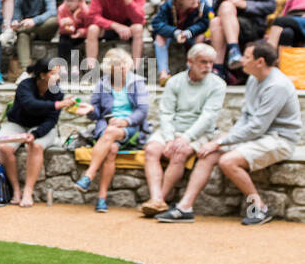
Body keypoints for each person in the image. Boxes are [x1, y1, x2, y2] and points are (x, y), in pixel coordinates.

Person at [157, 41, 300, 226]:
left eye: (247, 57)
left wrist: (220, 142)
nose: (242, 60)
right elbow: (246, 117)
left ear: (260, 61)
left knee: (228, 161)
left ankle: (259, 207)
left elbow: (257, 127)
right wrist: (223, 142)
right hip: (259, 135)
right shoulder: (254, 79)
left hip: (280, 139)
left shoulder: (277, 85)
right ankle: (185, 207)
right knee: (208, 154)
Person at [139, 43, 225, 217]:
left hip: (199, 133)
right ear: (190, 61)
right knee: (151, 150)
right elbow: (166, 112)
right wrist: (170, 138)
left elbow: (207, 117)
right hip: (173, 129)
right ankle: (156, 198)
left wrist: (185, 138)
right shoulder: (174, 81)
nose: (208, 67)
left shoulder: (218, 85)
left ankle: (159, 200)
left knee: (180, 152)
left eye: (210, 62)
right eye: (203, 62)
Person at [73, 47, 151, 212]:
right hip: (107, 128)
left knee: (110, 132)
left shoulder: (137, 82)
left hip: (131, 128)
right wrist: (90, 110)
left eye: (124, 63)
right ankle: (102, 199)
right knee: (111, 149)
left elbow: (142, 111)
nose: (122, 67)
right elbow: (96, 112)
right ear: (110, 68)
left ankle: (88, 175)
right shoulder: (103, 83)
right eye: (117, 64)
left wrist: (125, 121)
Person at [0, 57, 75, 207]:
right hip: (18, 124)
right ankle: (16, 190)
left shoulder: (57, 92)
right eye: (54, 73)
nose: (58, 77)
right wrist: (57, 105)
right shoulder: (25, 86)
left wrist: (35, 134)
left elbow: (51, 121)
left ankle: (28, 190)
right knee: (4, 147)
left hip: (41, 127)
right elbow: (30, 105)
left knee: (36, 146)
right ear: (42, 75)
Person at [85, 0, 145, 68]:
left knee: (138, 28)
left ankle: (136, 68)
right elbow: (93, 16)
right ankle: (91, 68)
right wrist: (115, 26)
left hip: (128, 25)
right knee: (92, 29)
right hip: (108, 26)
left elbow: (139, 19)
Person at [151, 0, 213, 84]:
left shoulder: (201, 5)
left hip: (192, 34)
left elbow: (204, 23)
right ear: (180, 0)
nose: (195, 0)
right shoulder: (168, 5)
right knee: (159, 37)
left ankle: (192, 72)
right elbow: (157, 23)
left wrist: (189, 32)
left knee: (200, 38)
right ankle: (163, 74)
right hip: (173, 34)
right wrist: (175, 32)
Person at [8, 0, 58, 67]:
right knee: (22, 35)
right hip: (29, 31)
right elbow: (16, 17)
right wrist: (15, 22)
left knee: (54, 21)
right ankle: (25, 70)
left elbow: (52, 12)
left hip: (44, 28)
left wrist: (34, 21)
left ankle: (15, 32)